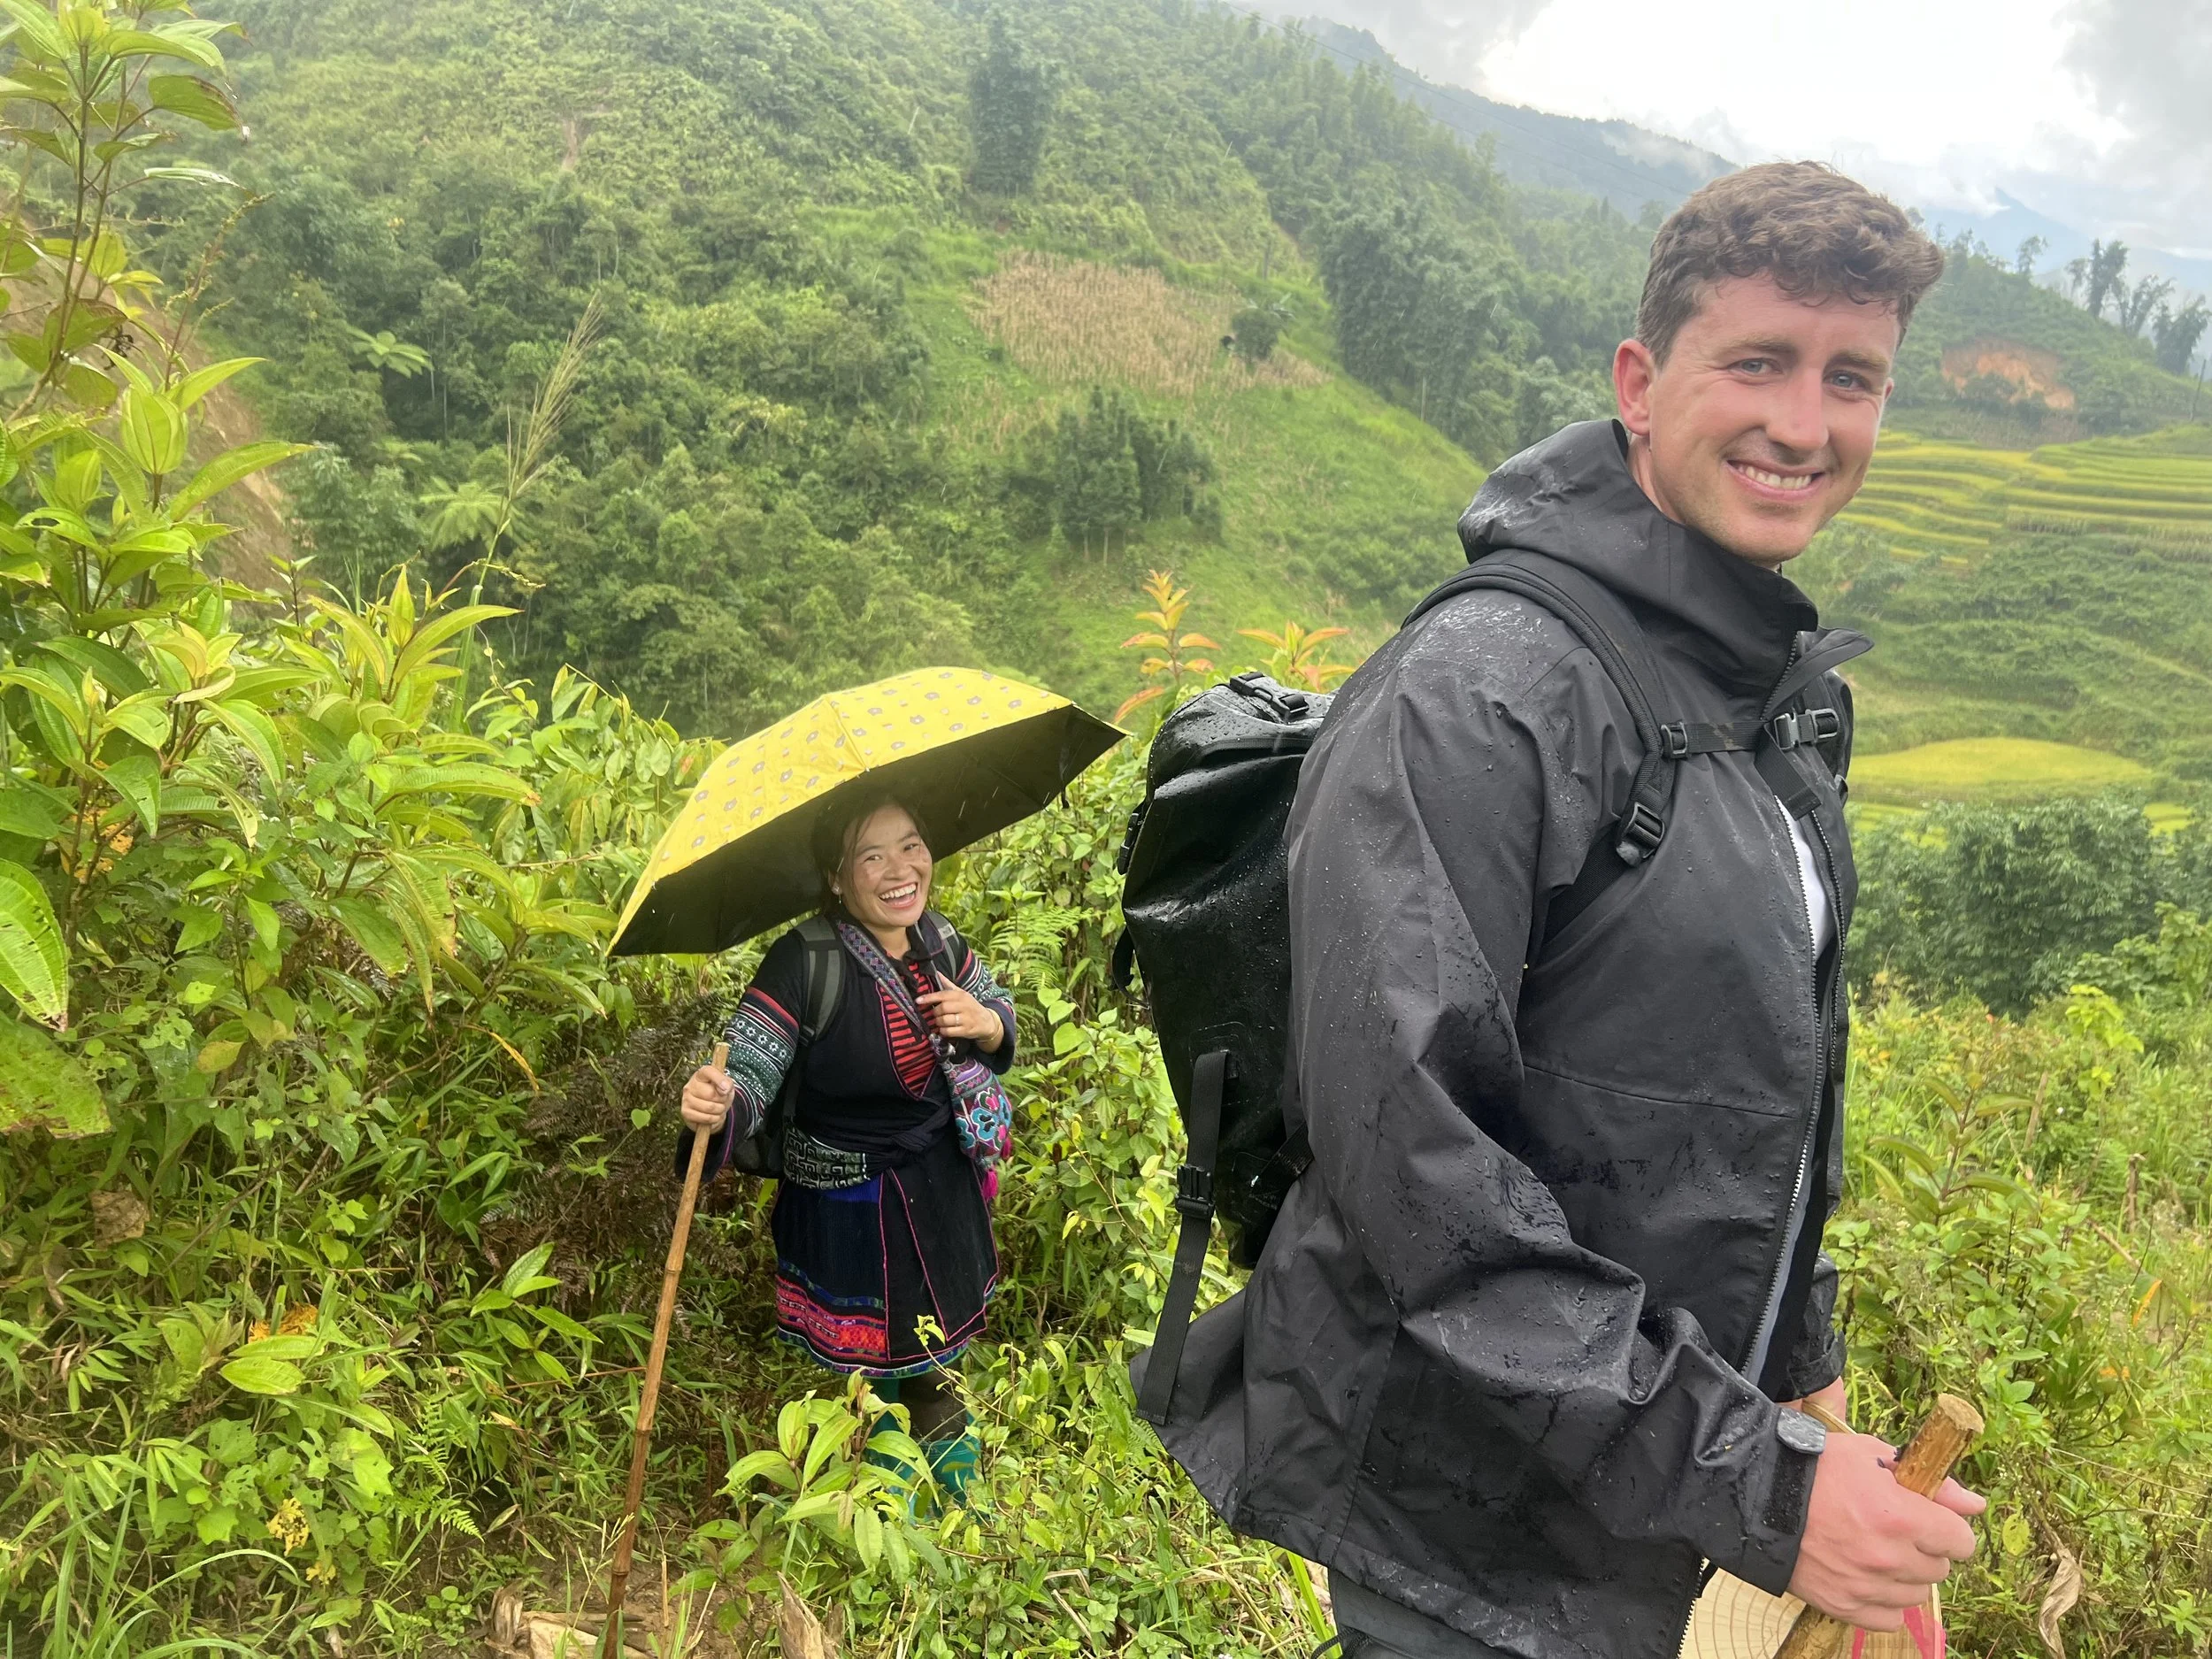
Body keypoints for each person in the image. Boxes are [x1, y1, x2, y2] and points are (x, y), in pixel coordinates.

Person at [1148, 164, 1986, 1657]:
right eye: (1758, 363)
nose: (1806, 423)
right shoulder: (1477, 701)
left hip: (1676, 1503)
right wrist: (1771, 1491)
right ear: (1640, 383)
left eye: (1851, 376)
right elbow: (1421, 1187)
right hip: (1474, 1536)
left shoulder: (1781, 708)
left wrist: (1811, 1414)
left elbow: (1771, 1105)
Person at [677, 791, 1016, 1494]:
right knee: (875, 1368)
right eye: (872, 853)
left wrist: (983, 1021)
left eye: (912, 844)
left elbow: (1001, 1016)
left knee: (941, 1358)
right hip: (850, 1201)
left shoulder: (941, 940)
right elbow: (750, 1065)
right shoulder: (805, 960)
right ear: (836, 877)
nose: (901, 867)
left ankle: (959, 1504)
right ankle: (885, 1514)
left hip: (940, 1189)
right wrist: (716, 1103)